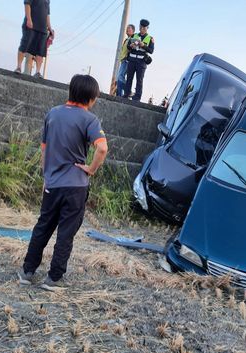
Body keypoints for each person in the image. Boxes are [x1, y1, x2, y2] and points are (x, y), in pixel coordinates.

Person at [19, 75, 109, 291]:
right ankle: (54, 278)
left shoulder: (53, 114)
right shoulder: (90, 120)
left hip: (53, 183)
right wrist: (91, 169)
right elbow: (102, 148)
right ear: (90, 97)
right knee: (66, 233)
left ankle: (27, 271)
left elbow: (44, 149)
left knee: (43, 227)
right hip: (76, 186)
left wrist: (47, 176)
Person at [16, 0, 54, 78]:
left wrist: (49, 27)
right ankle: (18, 67)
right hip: (31, 25)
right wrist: (29, 19)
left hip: (43, 29)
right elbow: (27, 4)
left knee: (41, 52)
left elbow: (47, 14)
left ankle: (37, 72)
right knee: (24, 46)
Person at [123, 19, 154, 102]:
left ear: (147, 28)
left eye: (144, 28)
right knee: (129, 78)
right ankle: (126, 94)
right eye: (141, 27)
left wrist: (143, 45)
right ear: (139, 27)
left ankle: (137, 97)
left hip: (141, 62)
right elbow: (128, 47)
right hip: (132, 60)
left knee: (139, 80)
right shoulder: (134, 36)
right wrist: (131, 45)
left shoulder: (150, 38)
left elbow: (151, 51)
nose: (142, 29)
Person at [116, 24, 135, 97]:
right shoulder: (126, 40)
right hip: (123, 60)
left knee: (120, 77)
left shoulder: (133, 39)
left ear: (133, 31)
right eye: (126, 29)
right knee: (120, 78)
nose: (127, 30)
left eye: (129, 29)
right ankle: (119, 96)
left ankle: (128, 91)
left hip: (127, 60)